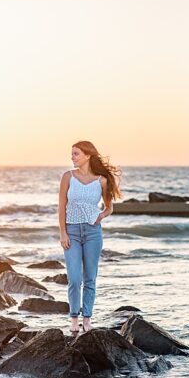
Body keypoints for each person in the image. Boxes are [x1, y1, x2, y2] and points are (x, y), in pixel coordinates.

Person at [58, 141, 120, 337]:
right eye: (72, 154)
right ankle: (74, 317)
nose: (72, 157)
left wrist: (100, 217)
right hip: (72, 232)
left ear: (87, 155)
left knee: (90, 278)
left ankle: (87, 319)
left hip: (93, 233)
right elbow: (61, 206)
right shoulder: (68, 177)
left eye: (76, 154)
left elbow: (109, 207)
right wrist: (63, 232)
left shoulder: (101, 180)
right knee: (74, 278)